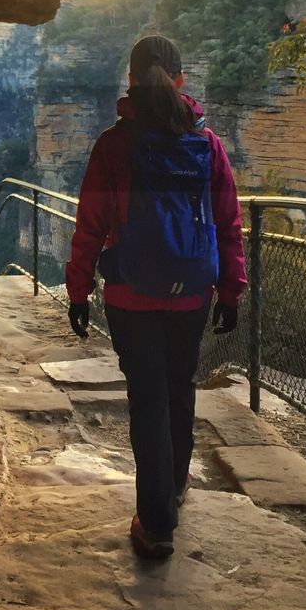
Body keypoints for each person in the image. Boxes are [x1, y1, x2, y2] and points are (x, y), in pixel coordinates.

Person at [64, 34, 246, 559]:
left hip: (130, 294)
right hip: (191, 293)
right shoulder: (207, 146)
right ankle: (176, 485)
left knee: (146, 399)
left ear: (130, 80)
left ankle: (156, 522)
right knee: (178, 387)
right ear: (181, 80)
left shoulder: (113, 145)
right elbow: (228, 225)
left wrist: (79, 291)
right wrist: (230, 291)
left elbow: (89, 228)